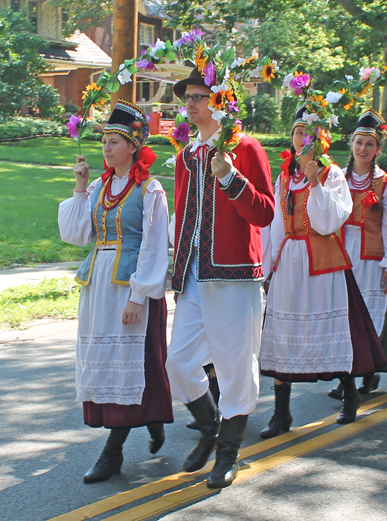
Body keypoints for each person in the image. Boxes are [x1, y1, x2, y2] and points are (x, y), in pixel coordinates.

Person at [166, 68, 275, 489]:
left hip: (233, 276)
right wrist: (176, 276)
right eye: (187, 97)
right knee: (178, 363)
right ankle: (211, 427)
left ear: (221, 101)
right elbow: (182, 219)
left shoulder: (245, 148)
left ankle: (228, 453)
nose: (190, 103)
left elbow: (264, 212)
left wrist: (230, 177)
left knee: (234, 368)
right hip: (194, 275)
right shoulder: (186, 155)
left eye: (199, 95)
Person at [58, 100, 173, 483]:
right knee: (112, 361)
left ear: (134, 146)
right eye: (104, 140)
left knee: (132, 363)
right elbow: (77, 235)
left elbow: (156, 245)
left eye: (114, 141)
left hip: (130, 287)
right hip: (97, 285)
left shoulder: (150, 189)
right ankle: (151, 416)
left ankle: (113, 453)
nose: (106, 148)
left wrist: (138, 296)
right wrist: (78, 184)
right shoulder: (98, 186)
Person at [259, 108, 387, 439]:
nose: (302, 139)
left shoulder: (331, 175)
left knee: (333, 330)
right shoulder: (285, 176)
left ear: (319, 140)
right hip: (289, 261)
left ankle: (350, 394)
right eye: (298, 132)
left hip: (322, 261)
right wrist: (269, 267)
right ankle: (281, 413)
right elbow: (275, 224)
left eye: (308, 134)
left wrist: (315, 182)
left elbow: (328, 222)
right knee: (285, 333)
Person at [328, 109, 387, 401]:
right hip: (340, 254)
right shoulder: (337, 179)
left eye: (369, 144)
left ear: (378, 149)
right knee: (341, 316)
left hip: (371, 259)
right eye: (359, 142)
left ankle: (365, 369)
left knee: (368, 317)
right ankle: (346, 374)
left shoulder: (386, 184)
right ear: (351, 144)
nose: (363, 149)